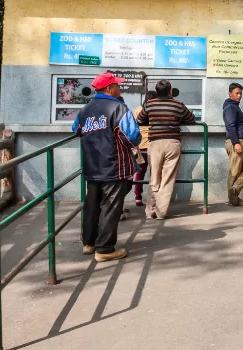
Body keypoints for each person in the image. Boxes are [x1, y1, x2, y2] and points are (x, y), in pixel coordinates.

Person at [72, 71, 141, 262]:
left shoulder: (84, 110)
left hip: (92, 164)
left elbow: (76, 129)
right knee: (111, 206)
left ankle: (89, 243)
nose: (120, 88)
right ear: (110, 89)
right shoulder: (119, 108)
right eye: (118, 85)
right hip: (113, 165)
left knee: (92, 204)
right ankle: (105, 249)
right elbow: (132, 136)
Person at [136, 80, 195, 219]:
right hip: (172, 143)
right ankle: (161, 212)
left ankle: (150, 211)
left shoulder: (150, 104)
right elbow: (191, 119)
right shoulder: (178, 104)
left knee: (154, 177)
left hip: (155, 143)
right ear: (170, 91)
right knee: (168, 179)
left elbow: (140, 120)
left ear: (157, 92)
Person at [130, 90, 157, 207]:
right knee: (154, 173)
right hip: (153, 143)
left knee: (140, 172)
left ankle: (138, 197)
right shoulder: (155, 110)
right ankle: (153, 198)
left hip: (140, 145)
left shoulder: (136, 110)